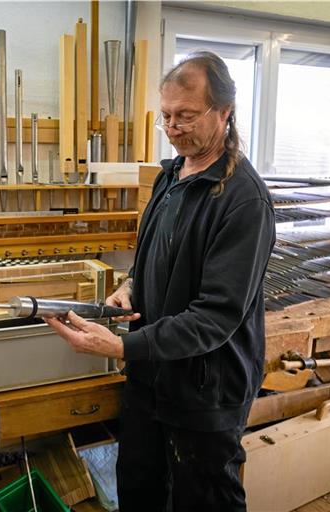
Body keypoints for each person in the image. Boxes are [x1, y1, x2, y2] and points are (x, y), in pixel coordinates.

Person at [45, 51, 276, 511]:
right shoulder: (169, 176)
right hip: (151, 378)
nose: (173, 127)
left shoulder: (243, 201)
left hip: (205, 389)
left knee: (204, 500)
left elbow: (215, 317)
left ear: (224, 113)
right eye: (166, 116)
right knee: (140, 489)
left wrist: (120, 347)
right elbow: (152, 255)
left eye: (186, 116)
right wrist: (132, 287)